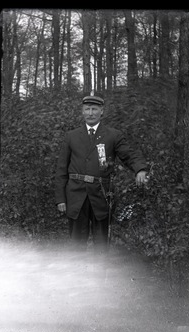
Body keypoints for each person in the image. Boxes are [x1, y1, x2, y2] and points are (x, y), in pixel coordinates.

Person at [55, 91, 147, 253]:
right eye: (87, 109)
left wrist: (140, 169)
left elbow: (129, 154)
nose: (90, 113)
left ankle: (101, 277)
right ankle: (77, 277)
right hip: (76, 196)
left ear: (102, 111)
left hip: (101, 196)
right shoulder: (71, 136)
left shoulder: (113, 135)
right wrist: (60, 198)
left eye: (94, 109)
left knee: (101, 246)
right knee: (76, 247)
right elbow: (61, 169)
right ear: (82, 111)